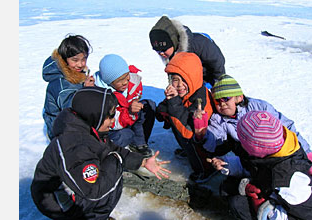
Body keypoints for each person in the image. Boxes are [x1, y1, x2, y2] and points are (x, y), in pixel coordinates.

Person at [31, 86, 171, 220]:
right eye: (110, 116)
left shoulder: (89, 128)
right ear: (94, 115)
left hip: (75, 184)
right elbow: (93, 191)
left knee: (110, 174)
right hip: (56, 199)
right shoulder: (75, 144)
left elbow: (112, 149)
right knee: (107, 185)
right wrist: (116, 161)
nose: (113, 121)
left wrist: (142, 161)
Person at [193, 74, 312, 189]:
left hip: (275, 148)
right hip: (249, 155)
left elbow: (287, 128)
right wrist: (201, 130)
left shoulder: (260, 107)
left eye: (226, 98)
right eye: (217, 101)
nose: (222, 104)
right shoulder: (218, 119)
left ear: (238, 97)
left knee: (294, 169)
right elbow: (213, 142)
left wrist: (307, 154)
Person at [208, 111, 312, 220]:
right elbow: (249, 163)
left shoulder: (290, 180)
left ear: (256, 148)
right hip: (267, 185)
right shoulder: (270, 150)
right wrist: (227, 164)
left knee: (237, 204)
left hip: (282, 208)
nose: (240, 144)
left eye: (242, 141)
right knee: (227, 187)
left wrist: (264, 208)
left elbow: (310, 214)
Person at [156, 52, 215, 182]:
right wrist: (166, 109)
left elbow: (189, 130)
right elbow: (162, 108)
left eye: (185, 80)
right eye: (175, 79)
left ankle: (205, 169)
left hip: (206, 142)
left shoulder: (200, 99)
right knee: (174, 118)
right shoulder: (182, 94)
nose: (179, 85)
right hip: (189, 132)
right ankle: (188, 152)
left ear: (193, 78)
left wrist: (173, 103)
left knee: (191, 139)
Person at [93, 54, 156, 157]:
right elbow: (113, 123)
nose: (125, 82)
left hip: (128, 117)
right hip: (114, 129)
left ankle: (138, 144)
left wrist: (135, 104)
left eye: (126, 77)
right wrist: (130, 112)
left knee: (149, 106)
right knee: (125, 135)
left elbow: (136, 95)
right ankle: (116, 157)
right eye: (119, 81)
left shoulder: (132, 81)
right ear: (109, 82)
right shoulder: (103, 95)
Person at [42, 34, 95, 140]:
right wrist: (85, 91)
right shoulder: (61, 83)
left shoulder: (76, 74)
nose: (80, 64)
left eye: (83, 59)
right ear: (65, 60)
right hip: (60, 130)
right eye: (75, 60)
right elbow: (70, 107)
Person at [149, 15, 226, 87]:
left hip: (209, 77)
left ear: (173, 42)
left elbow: (217, 63)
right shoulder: (170, 54)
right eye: (157, 51)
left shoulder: (201, 43)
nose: (161, 53)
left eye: (163, 49)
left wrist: (218, 85)